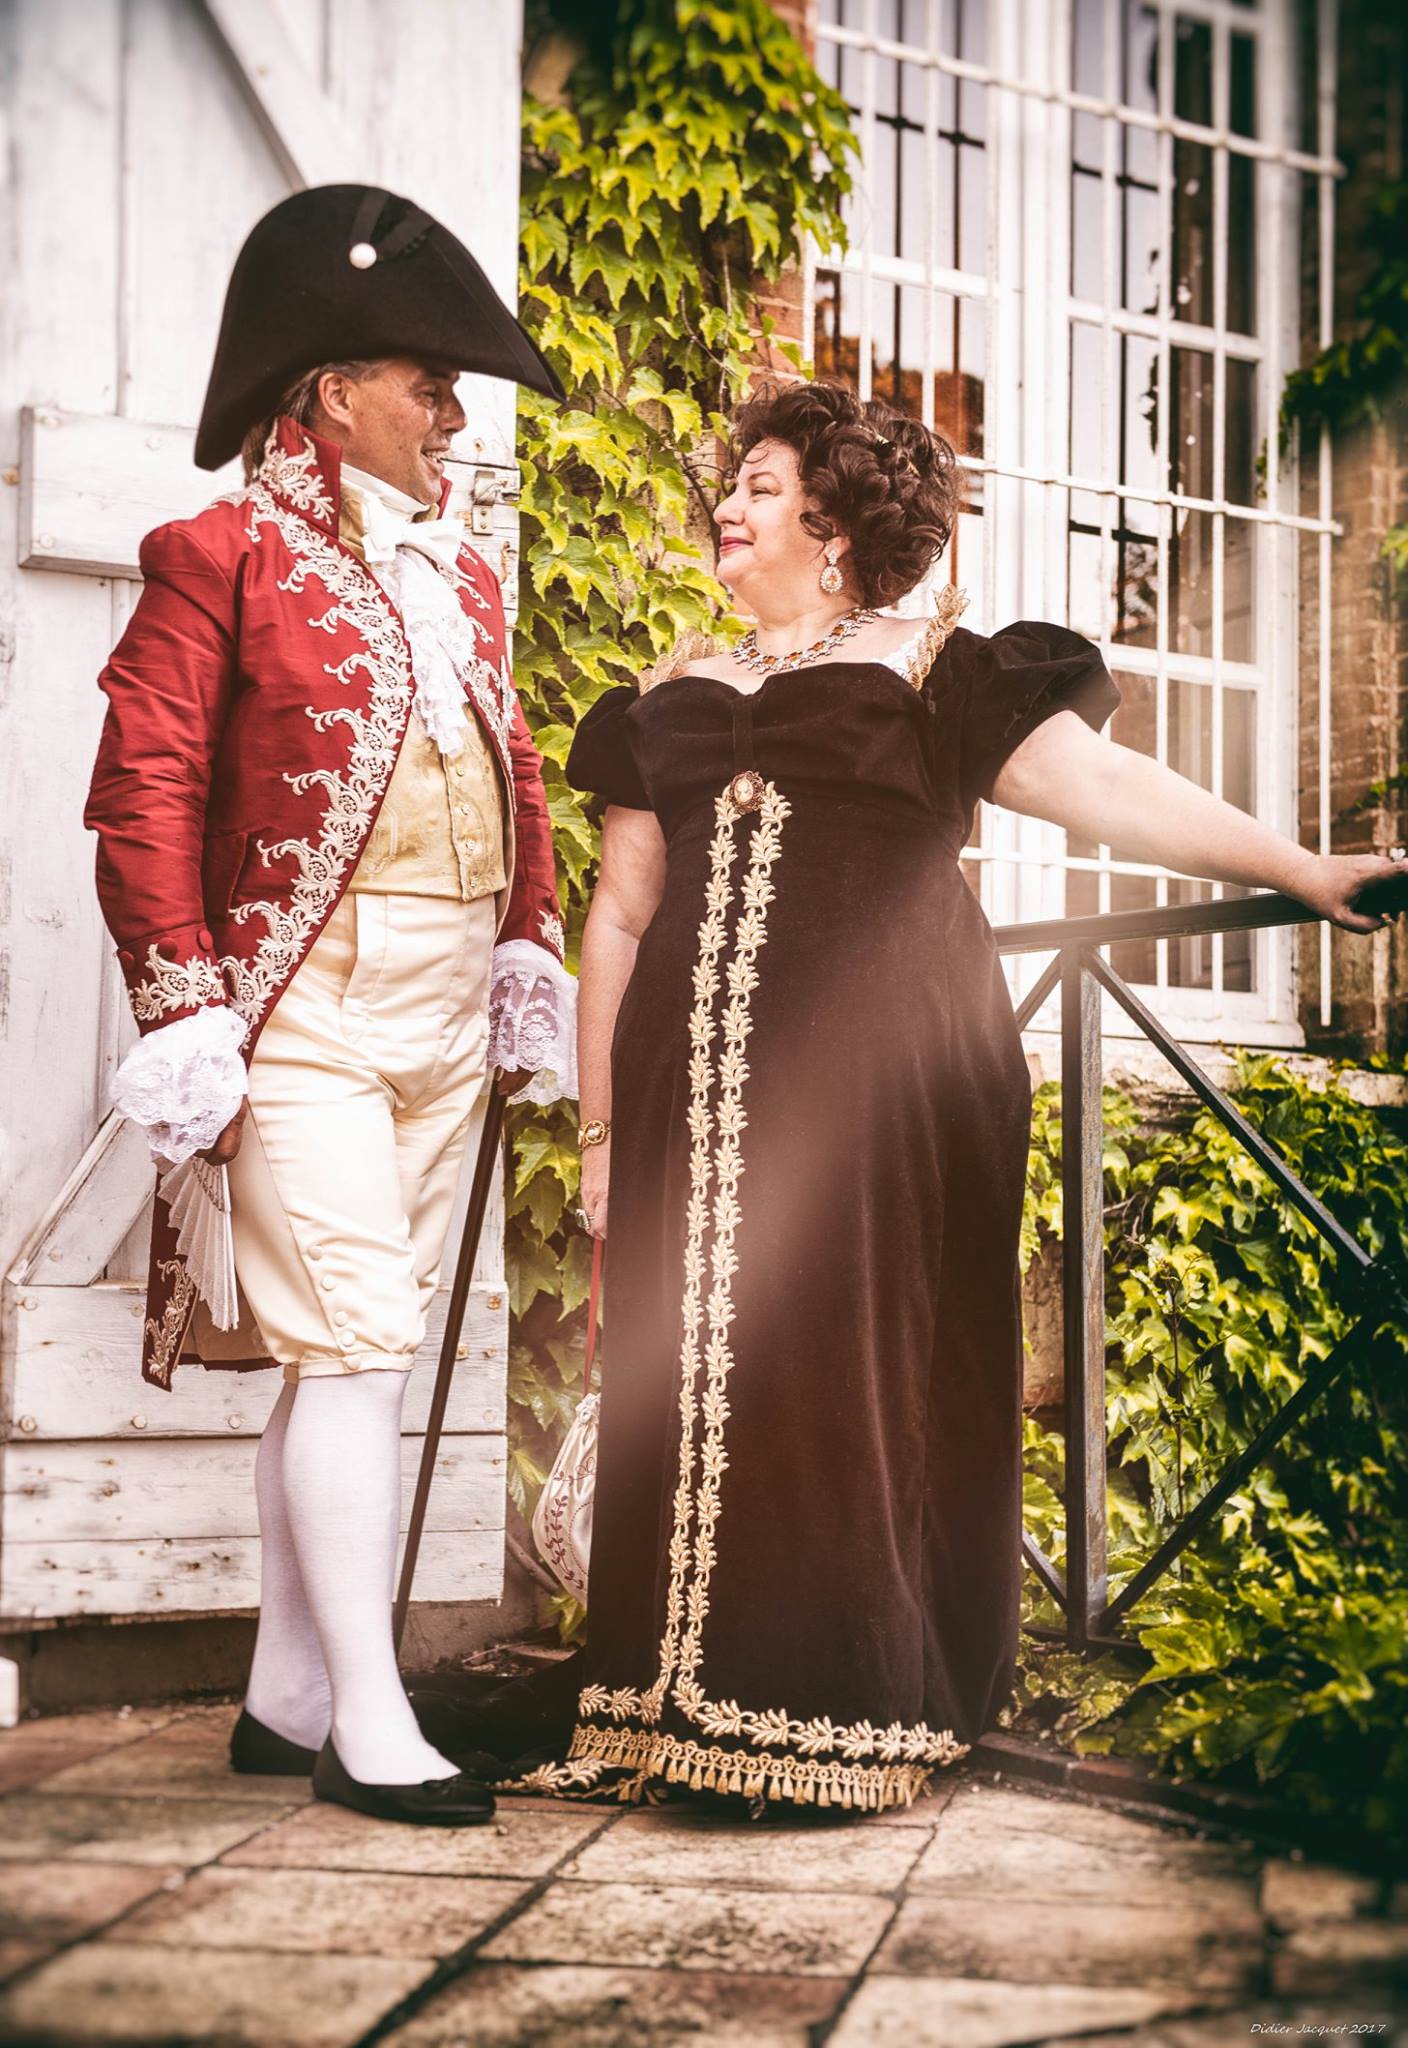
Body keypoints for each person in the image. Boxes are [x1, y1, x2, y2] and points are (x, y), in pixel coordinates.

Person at [504, 377, 1401, 1817]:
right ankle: (676, 1705)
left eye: (758, 484)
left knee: (834, 1375)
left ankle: (822, 1710)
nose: (725, 505)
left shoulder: (938, 669)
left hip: (881, 1094)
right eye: (731, 483)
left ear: (837, 524)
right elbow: (617, 917)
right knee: (690, 1372)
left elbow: (1111, 789)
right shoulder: (664, 694)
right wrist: (601, 1131)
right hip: (690, 1098)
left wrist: (1300, 871)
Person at [83, 185, 572, 1827]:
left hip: (446, 1006)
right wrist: (182, 1005)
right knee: (356, 1350)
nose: (455, 415)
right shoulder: (218, 554)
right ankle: (371, 1722)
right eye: (430, 382)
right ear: (333, 391)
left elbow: (515, 775)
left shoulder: (465, 579)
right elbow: (145, 785)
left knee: (344, 1356)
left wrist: (529, 942)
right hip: (305, 1001)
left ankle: (285, 1695)